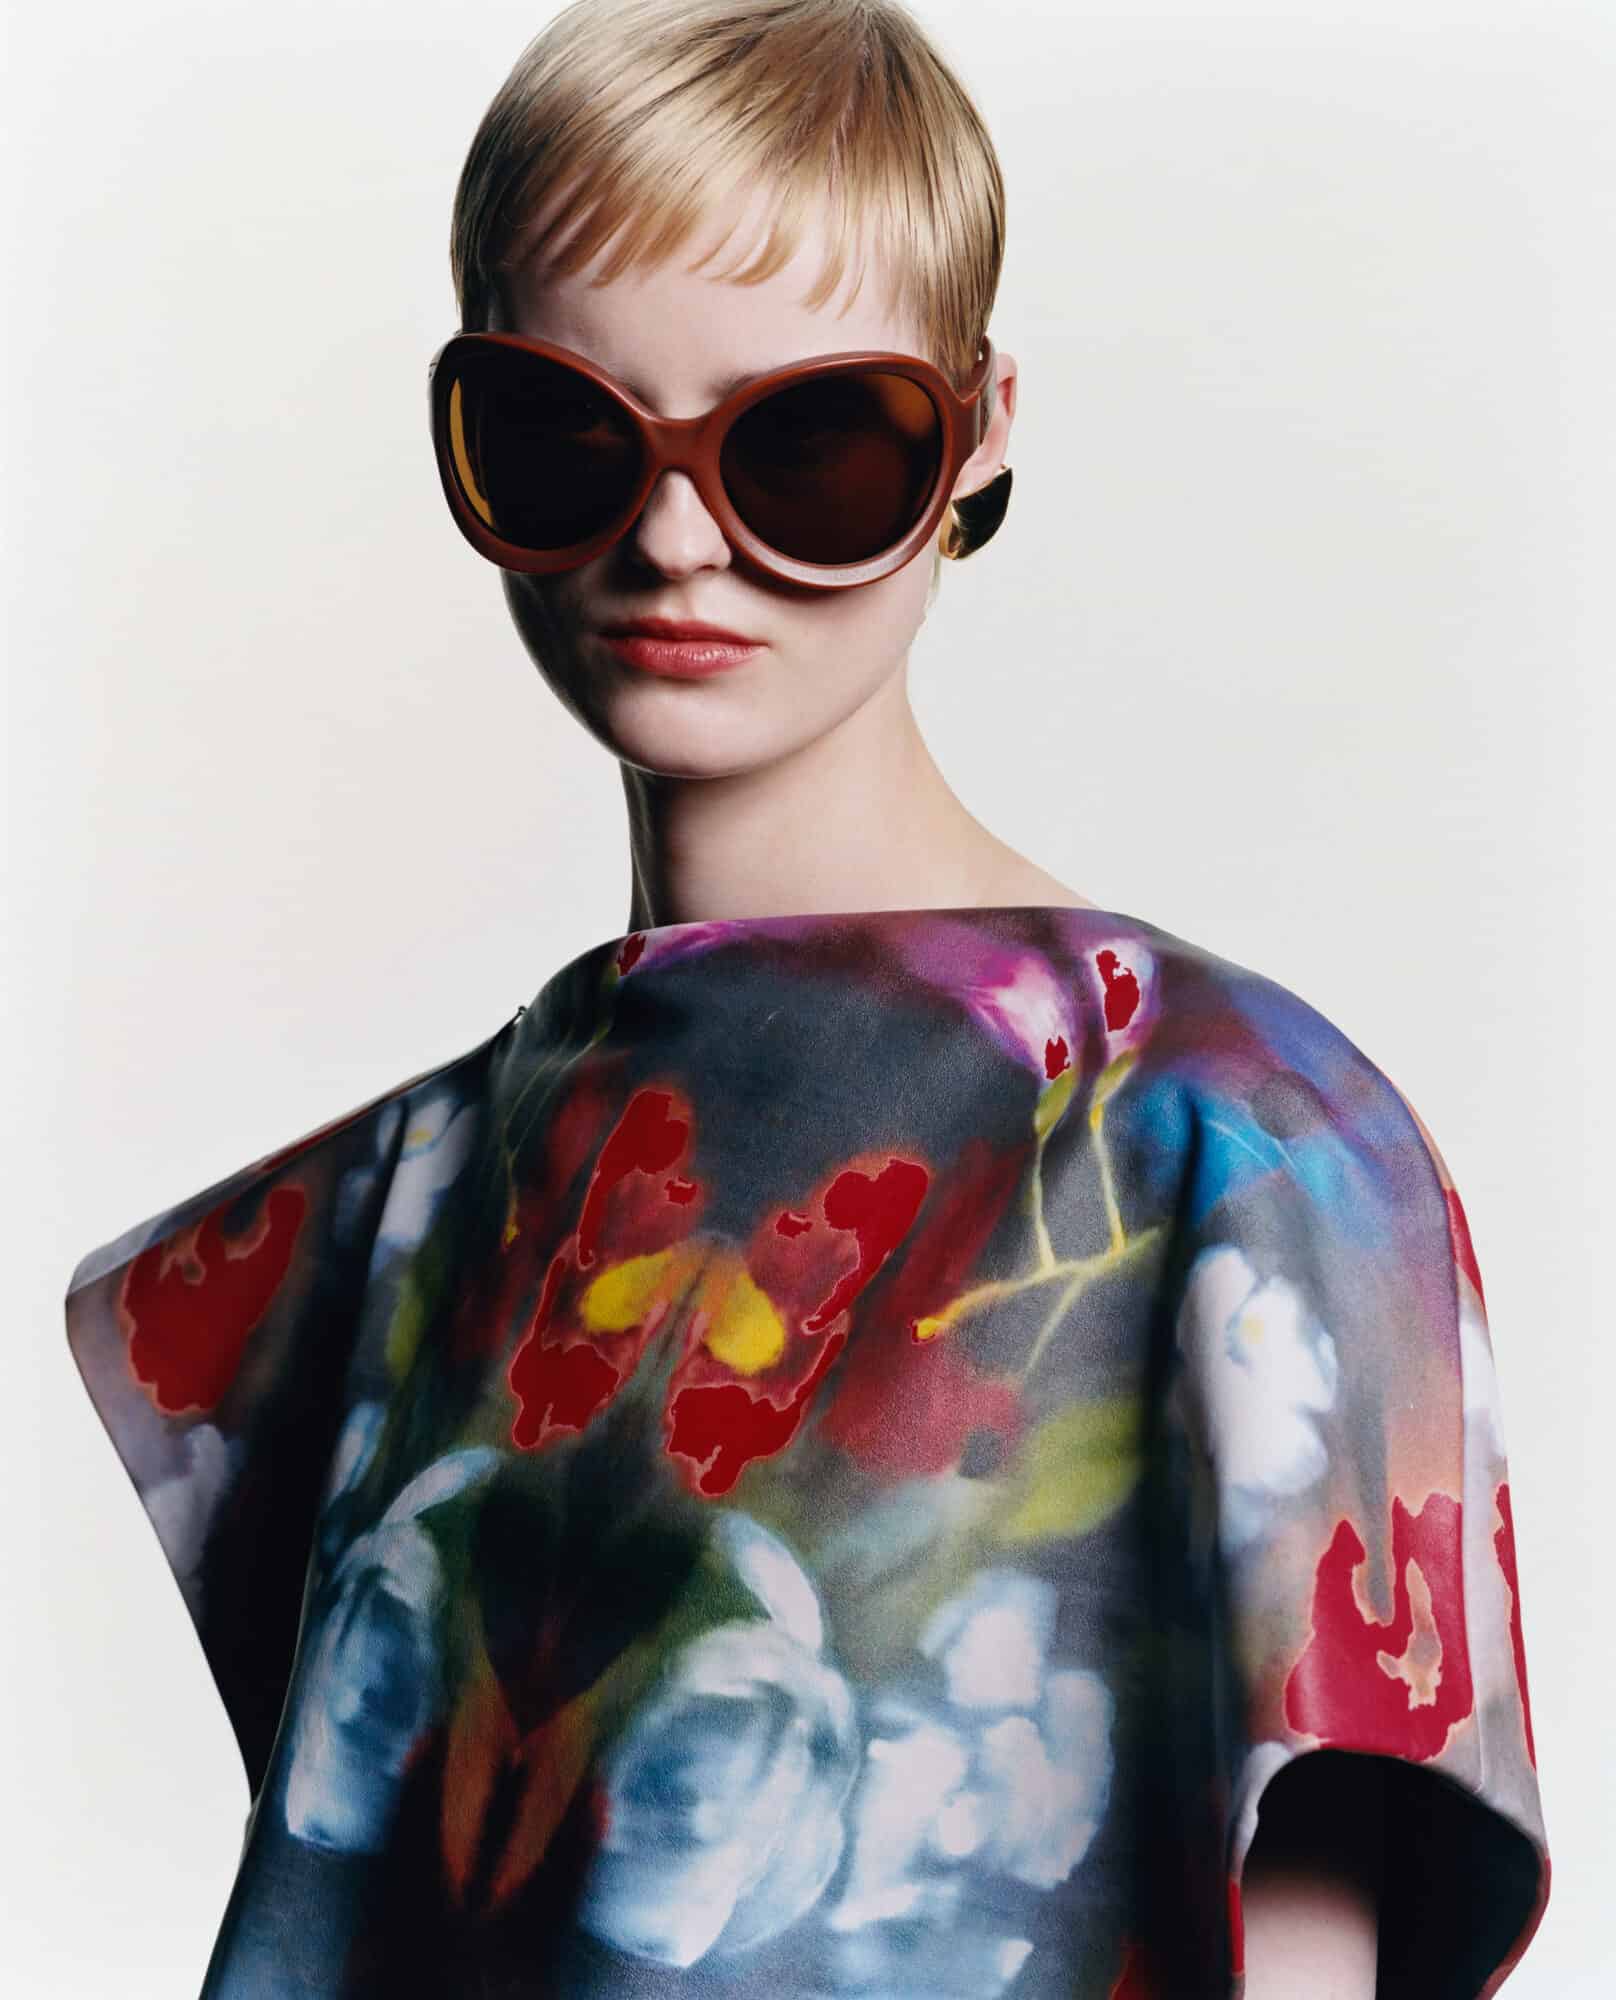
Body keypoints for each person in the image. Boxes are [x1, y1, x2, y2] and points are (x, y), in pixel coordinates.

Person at [64, 4, 1550, 1995]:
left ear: (980, 429)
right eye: (565, 433)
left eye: (812, 444)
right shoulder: (399, 1212)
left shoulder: (1238, 1144)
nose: (674, 537)